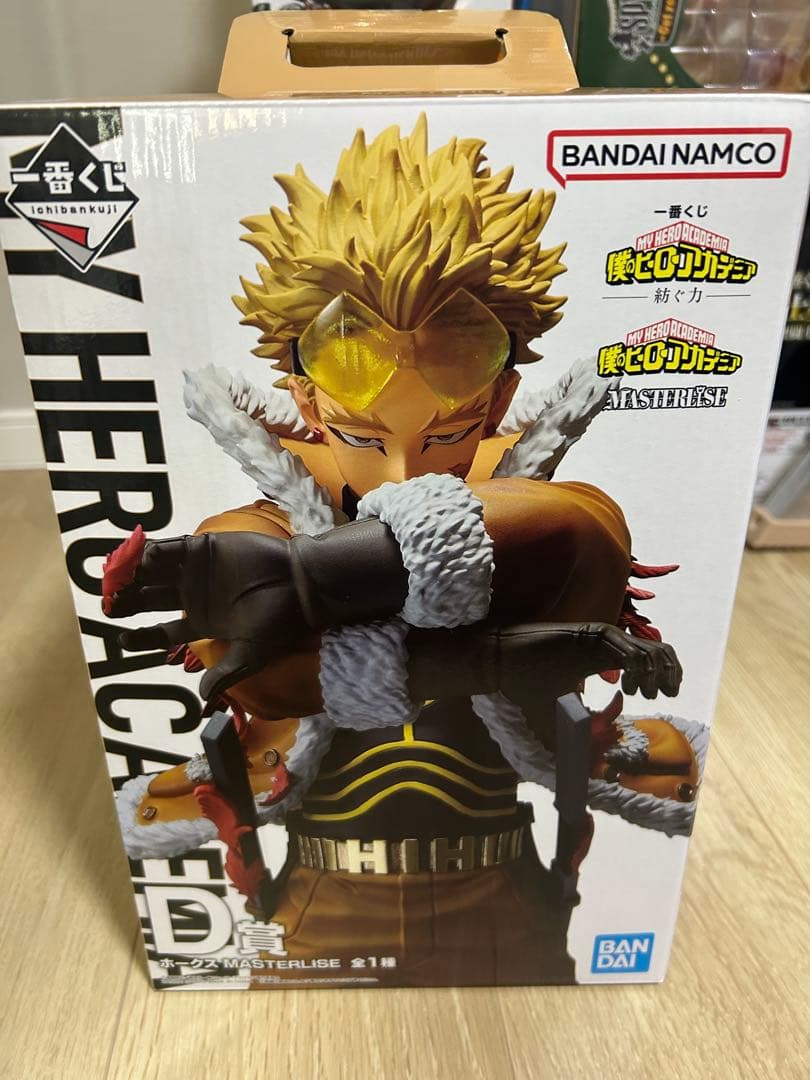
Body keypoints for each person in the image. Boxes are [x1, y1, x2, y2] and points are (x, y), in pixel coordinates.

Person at [108, 117, 699, 986]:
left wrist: (322, 581)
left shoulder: (546, 513)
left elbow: (574, 539)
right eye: (361, 433)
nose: (401, 471)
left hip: (507, 902)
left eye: (447, 432)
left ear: (500, 396)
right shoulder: (259, 529)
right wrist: (486, 649)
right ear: (307, 400)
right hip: (316, 907)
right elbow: (264, 667)